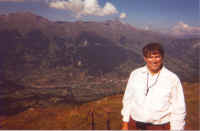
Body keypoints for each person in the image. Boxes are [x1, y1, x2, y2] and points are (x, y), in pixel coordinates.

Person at [121, 43, 186, 130]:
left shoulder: (172, 79)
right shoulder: (135, 74)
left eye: (157, 57)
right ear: (145, 58)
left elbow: (179, 109)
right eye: (150, 57)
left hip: (159, 127)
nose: (154, 60)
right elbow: (128, 100)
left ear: (162, 57)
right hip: (134, 125)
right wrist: (125, 123)